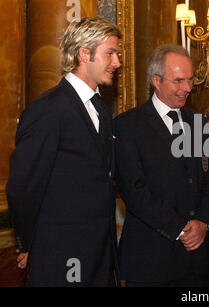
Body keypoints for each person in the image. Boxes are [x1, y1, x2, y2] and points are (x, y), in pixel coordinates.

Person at [6, 17, 122, 286]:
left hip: (100, 253)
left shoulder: (100, 110)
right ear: (84, 53)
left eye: (117, 54)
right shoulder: (48, 110)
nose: (117, 62)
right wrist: (30, 243)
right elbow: (23, 188)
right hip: (61, 254)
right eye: (110, 53)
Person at [113, 44, 209, 287]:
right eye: (178, 81)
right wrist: (180, 229)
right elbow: (134, 191)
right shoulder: (128, 126)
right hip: (149, 261)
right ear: (156, 80)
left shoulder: (198, 123)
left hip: (195, 261)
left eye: (191, 79)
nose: (187, 88)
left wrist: (203, 223)